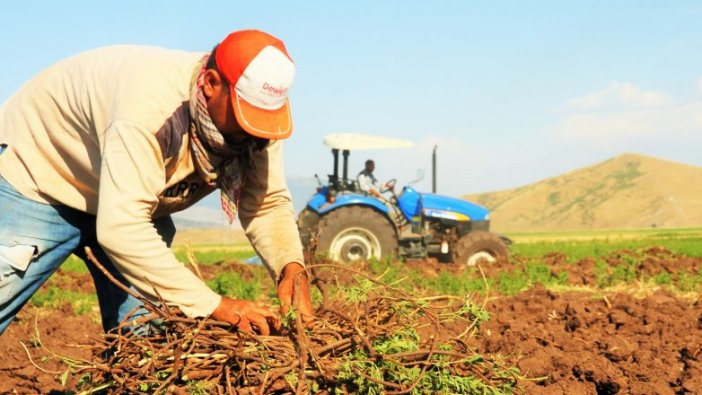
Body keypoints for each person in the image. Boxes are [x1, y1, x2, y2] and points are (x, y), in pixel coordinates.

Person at [0, 29, 313, 336]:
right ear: (211, 83)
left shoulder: (260, 123)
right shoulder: (149, 109)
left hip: (129, 204)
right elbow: (122, 228)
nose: (252, 133)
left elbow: (265, 202)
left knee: (144, 335)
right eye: (244, 117)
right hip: (40, 175)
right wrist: (212, 304)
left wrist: (291, 267)